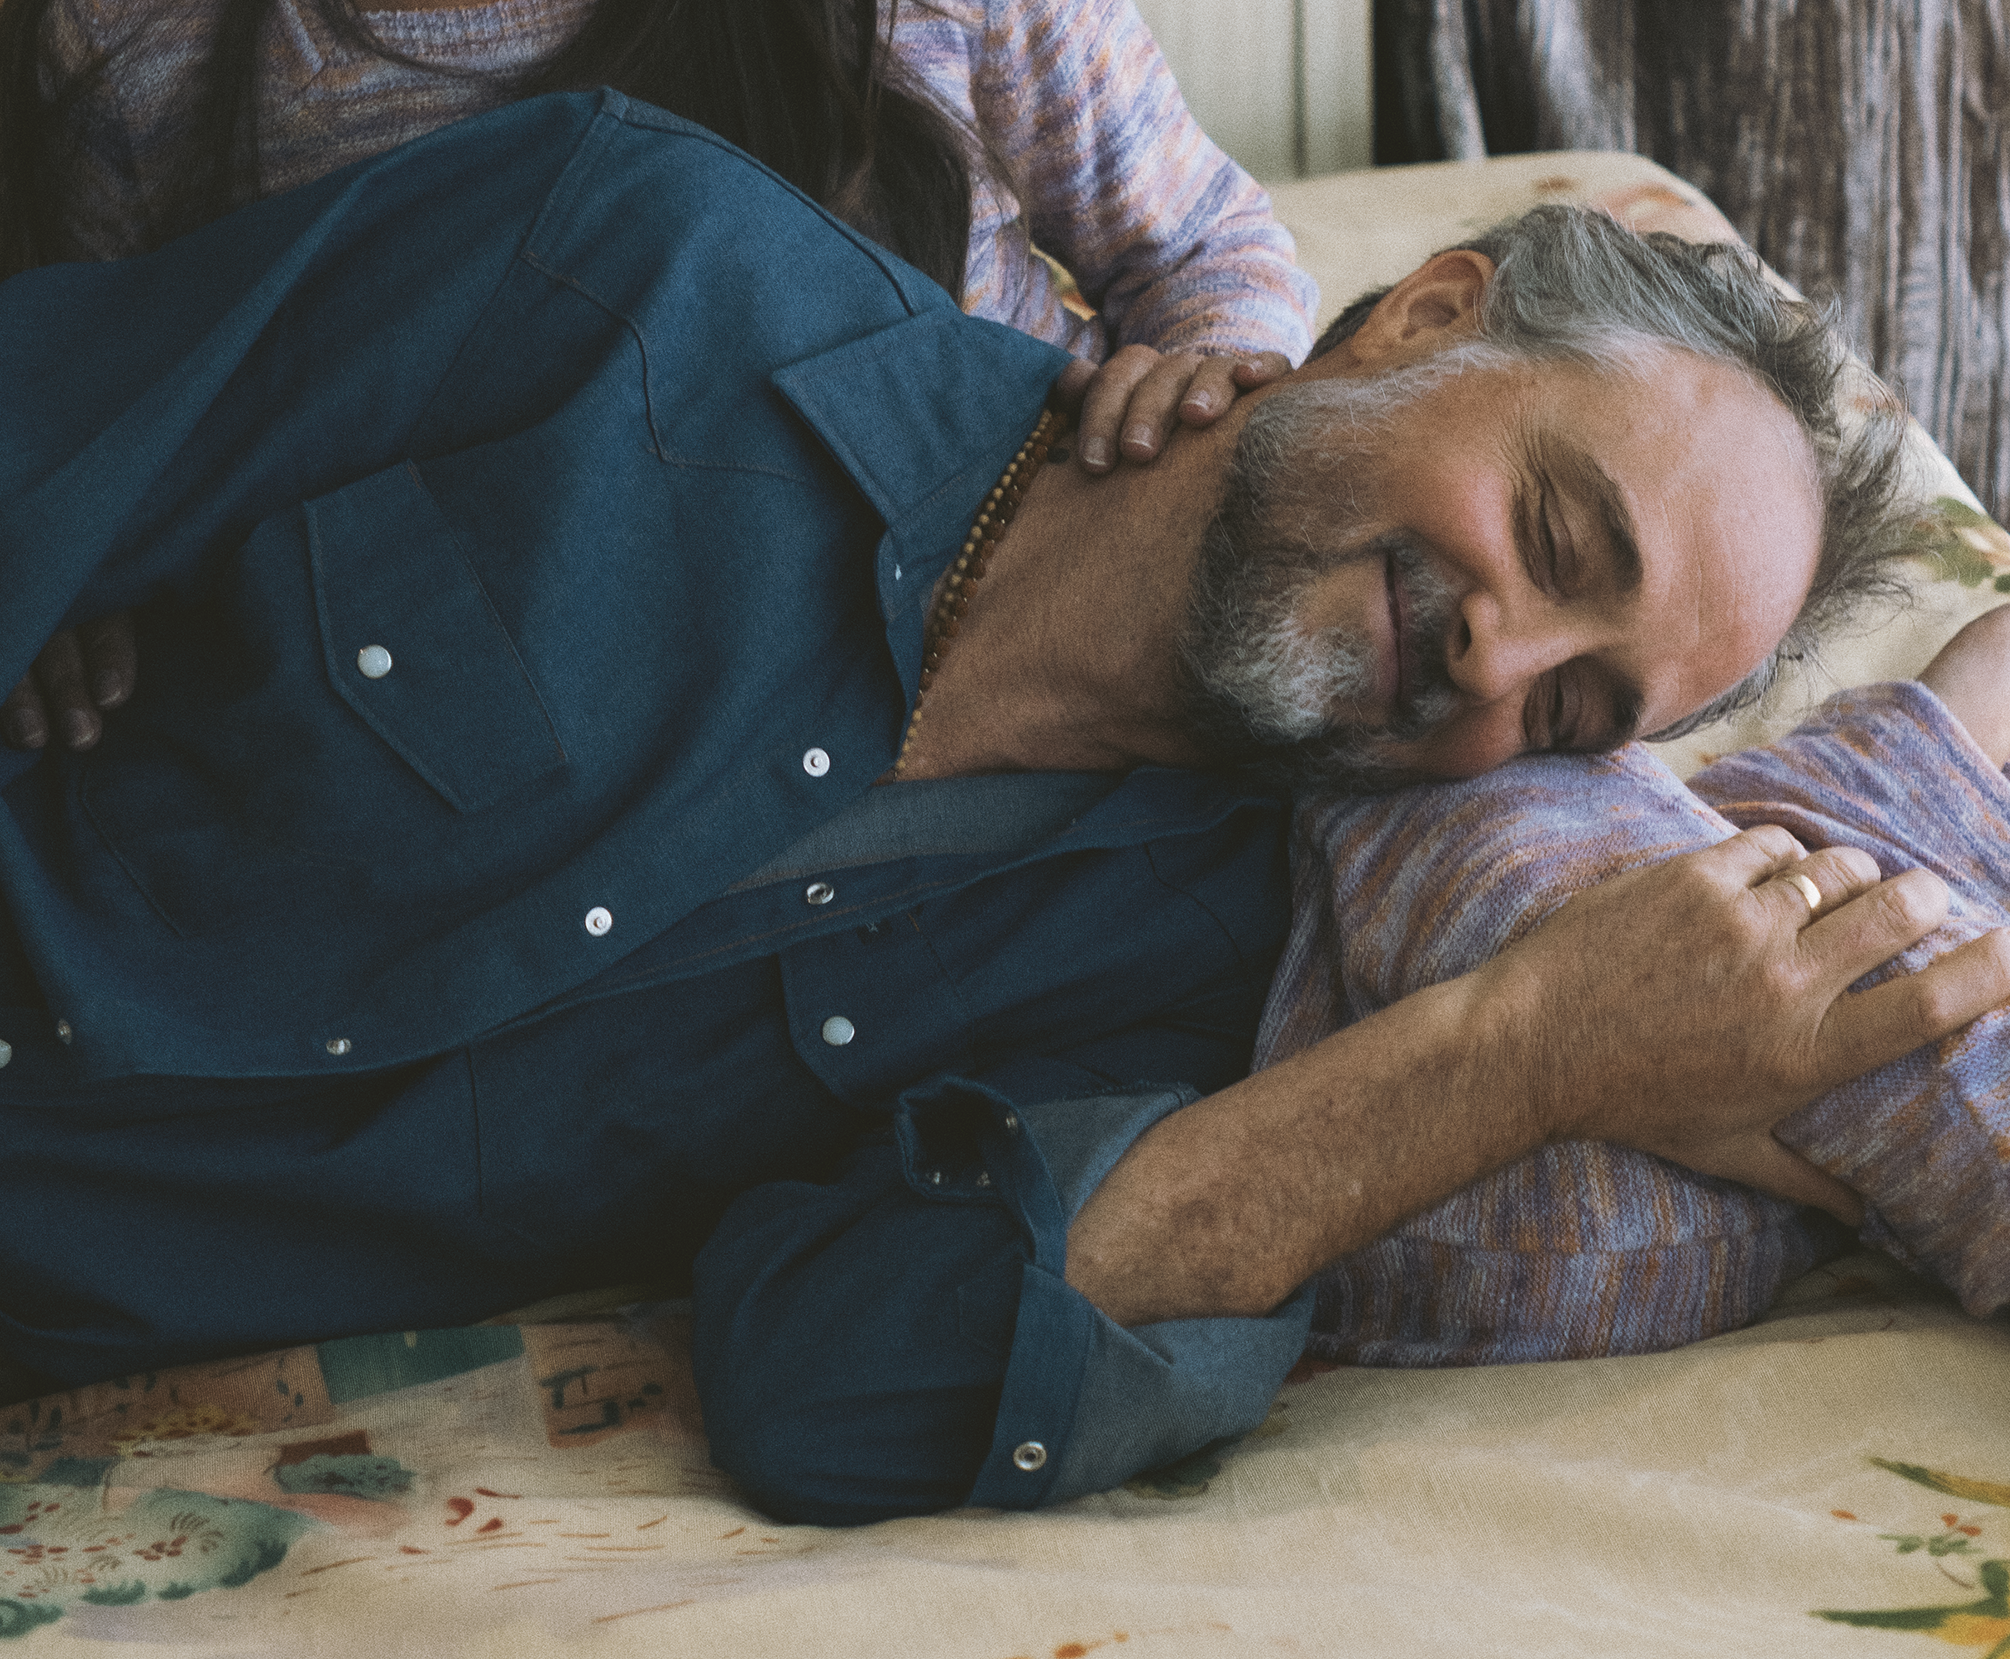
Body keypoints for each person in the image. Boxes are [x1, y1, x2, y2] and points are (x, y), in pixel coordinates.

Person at [0, 91, 2003, 1525]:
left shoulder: (1194, 965)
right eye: (1556, 527)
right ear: (1418, 317)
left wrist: (1521, 1047)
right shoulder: (640, 269)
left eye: (1577, 701)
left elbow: (838, 1383)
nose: (1497, 661)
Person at [0, 0, 1318, 749]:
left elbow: (1205, 243)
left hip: (1007, 650)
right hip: (576, 750)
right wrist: (69, 599)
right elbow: (115, 425)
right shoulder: (130, 43)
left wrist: (1200, 382)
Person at [1259, 604, 2010, 1364]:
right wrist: (1550, 1043)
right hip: (1354, 1140)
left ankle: (1876, 783)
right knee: (1787, 967)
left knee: (1741, 911)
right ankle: (1879, 783)